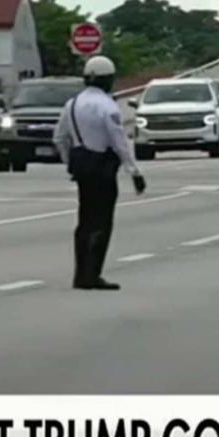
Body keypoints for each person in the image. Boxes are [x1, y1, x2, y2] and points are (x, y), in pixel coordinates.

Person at [53, 56, 147, 291]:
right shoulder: (107, 106)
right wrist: (134, 171)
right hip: (103, 168)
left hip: (82, 167)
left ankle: (80, 274)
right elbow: (119, 142)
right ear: (108, 79)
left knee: (84, 221)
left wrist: (71, 160)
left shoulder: (71, 104)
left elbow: (58, 138)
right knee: (102, 222)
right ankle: (93, 274)